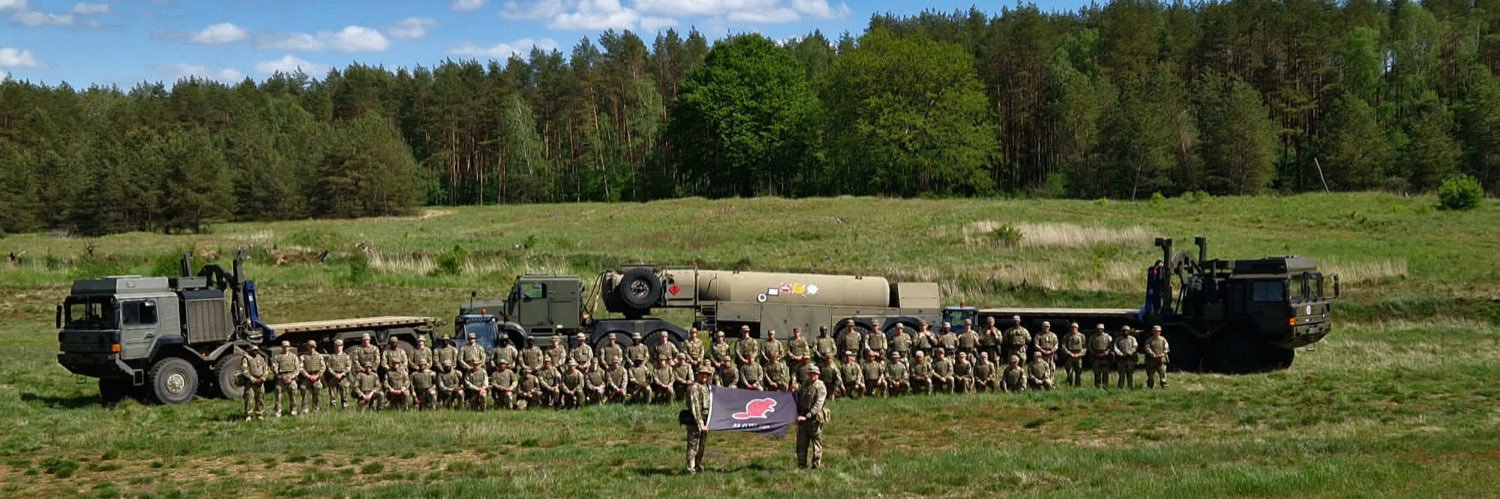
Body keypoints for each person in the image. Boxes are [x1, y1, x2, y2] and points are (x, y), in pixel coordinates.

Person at [795, 365, 828, 470]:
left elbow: (818, 405)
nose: (812, 375)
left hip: (814, 420)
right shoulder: (805, 384)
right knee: (801, 444)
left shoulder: (821, 387)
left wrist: (808, 416)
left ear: (818, 375)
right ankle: (801, 466)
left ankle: (816, 466)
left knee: (816, 443)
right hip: (802, 418)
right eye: (810, 373)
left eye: (814, 373)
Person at [685, 366, 713, 475]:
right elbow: (695, 405)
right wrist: (700, 422)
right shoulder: (694, 387)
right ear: (698, 374)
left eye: (707, 374)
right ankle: (690, 468)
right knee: (693, 444)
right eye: (702, 373)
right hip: (695, 420)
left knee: (702, 444)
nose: (704, 376)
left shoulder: (707, 387)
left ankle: (697, 464)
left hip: (706, 419)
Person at [240, 347, 269, 421]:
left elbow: (266, 369)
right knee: (249, 398)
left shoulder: (261, 358)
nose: (255, 352)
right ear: (250, 351)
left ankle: (260, 413)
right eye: (254, 350)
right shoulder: (246, 358)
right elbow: (244, 370)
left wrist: (263, 378)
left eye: (256, 350)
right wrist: (253, 379)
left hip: (260, 381)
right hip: (250, 382)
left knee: (260, 398)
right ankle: (248, 415)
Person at [273, 341, 301, 417]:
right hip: (281, 378)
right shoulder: (277, 357)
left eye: (287, 347)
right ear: (282, 347)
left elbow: (297, 368)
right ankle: (278, 411)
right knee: (278, 394)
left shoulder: (293, 357)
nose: (286, 348)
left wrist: (291, 378)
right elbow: (275, 368)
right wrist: (281, 377)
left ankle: (293, 410)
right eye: (284, 347)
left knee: (293, 394)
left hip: (291, 378)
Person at [298, 340, 326, 414]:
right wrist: (308, 376)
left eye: (313, 347)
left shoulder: (319, 356)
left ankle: (316, 407)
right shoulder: (303, 357)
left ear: (315, 347)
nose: (311, 348)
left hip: (316, 377)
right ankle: (305, 408)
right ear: (307, 347)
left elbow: (323, 367)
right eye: (310, 347)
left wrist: (317, 375)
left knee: (317, 387)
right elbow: (301, 368)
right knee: (303, 388)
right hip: (307, 377)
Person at [325, 339, 353, 410]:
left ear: (342, 346)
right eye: (337, 346)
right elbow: (328, 367)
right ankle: (333, 411)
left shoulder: (346, 356)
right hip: (333, 377)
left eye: (340, 346)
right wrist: (334, 374)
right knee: (332, 396)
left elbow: (348, 367)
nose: (338, 347)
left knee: (345, 396)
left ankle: (345, 410)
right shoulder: (331, 356)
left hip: (343, 378)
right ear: (334, 347)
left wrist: (342, 374)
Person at [1060, 323, 1087, 388]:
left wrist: (1080, 354)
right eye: (1072, 327)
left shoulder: (1082, 336)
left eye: (1075, 327)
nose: (1074, 329)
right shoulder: (1067, 336)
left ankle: (1078, 386)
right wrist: (1070, 353)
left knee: (1078, 372)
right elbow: (1063, 347)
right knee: (1069, 372)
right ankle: (1069, 386)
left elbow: (1085, 347)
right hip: (1070, 356)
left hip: (1079, 356)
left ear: (1077, 328)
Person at [1088, 324, 1113, 388]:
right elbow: (1089, 346)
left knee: (1105, 374)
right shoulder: (1093, 337)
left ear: (1103, 329)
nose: (1099, 330)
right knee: (1097, 373)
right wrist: (1094, 353)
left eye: (1101, 329)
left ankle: (1105, 387)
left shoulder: (1108, 337)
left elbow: (1110, 347)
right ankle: (1097, 387)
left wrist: (1106, 352)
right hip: (1096, 357)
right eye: (1098, 329)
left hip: (1105, 357)